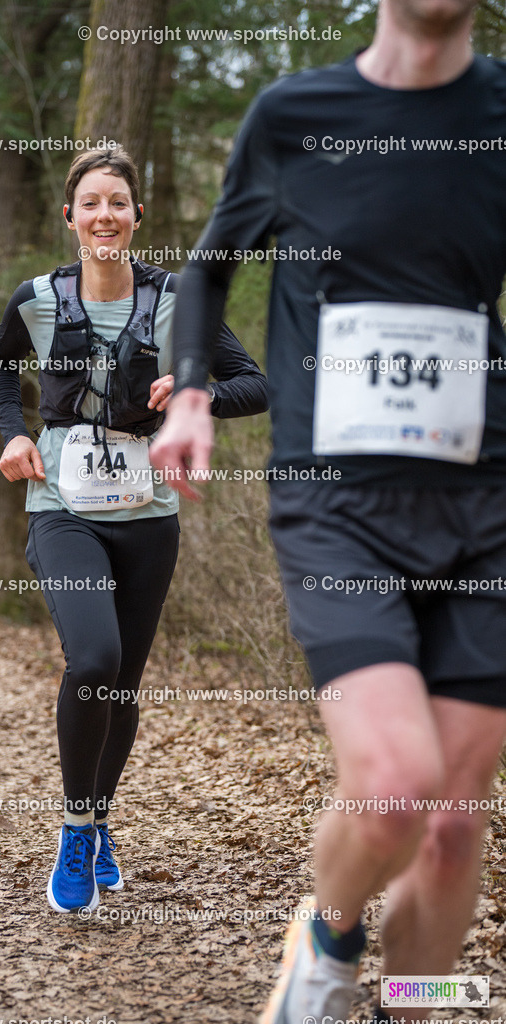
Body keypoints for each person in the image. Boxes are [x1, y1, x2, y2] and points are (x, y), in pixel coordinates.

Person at [150, 2, 506, 1021]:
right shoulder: (294, 115)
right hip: (337, 505)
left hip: (482, 500)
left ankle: (414, 1002)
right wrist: (187, 393)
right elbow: (209, 268)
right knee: (395, 785)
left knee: (449, 823)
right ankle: (328, 936)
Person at [0, 145, 267, 915]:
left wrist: (193, 392)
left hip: (147, 517)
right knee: (94, 658)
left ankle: (102, 817)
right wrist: (13, 432)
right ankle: (76, 830)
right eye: (90, 203)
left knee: (124, 681)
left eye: (117, 202)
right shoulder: (37, 298)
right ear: (69, 216)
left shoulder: (178, 300)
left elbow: (256, 385)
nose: (103, 215)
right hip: (61, 507)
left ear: (137, 215)